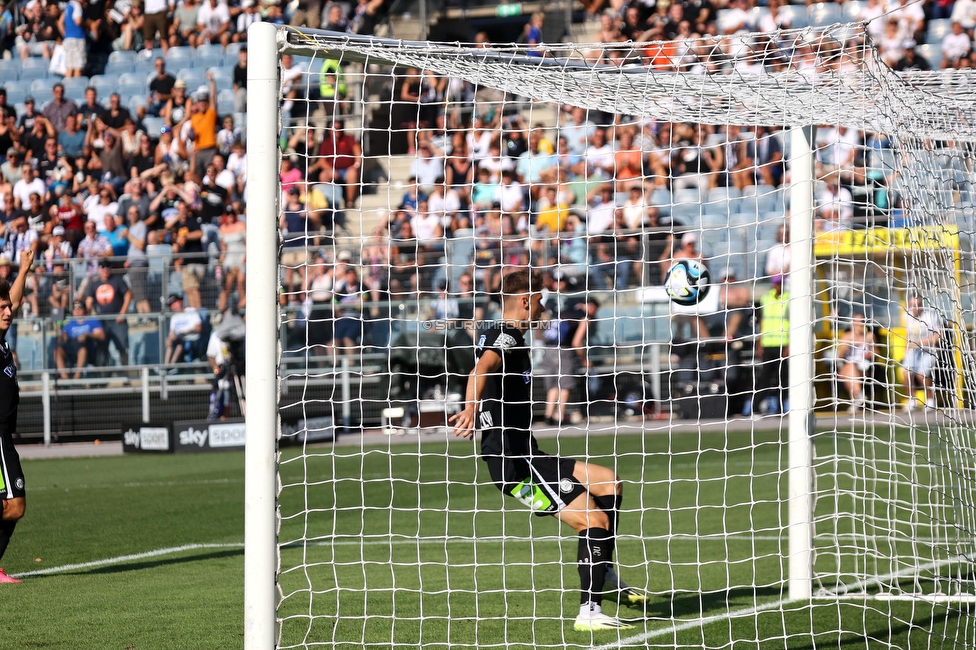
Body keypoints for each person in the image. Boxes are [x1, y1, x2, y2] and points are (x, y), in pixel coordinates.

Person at [450, 269, 644, 631]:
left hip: (528, 454)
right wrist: (471, 407)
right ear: (525, 301)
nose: (545, 309)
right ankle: (589, 613)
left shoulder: (505, 333)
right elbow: (480, 369)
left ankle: (603, 574)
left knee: (608, 483)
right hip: (514, 464)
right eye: (540, 301)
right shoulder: (506, 336)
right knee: (595, 521)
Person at [0, 249, 34, 583]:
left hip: (4, 436)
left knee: (13, 507)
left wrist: (23, 269)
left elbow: (14, 300)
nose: (8, 312)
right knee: (16, 505)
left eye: (7, 308)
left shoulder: (1, 340)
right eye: (1, 309)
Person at [753, 274, 789, 417]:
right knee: (764, 378)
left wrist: (790, 344)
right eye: (776, 283)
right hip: (768, 343)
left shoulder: (789, 298)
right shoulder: (765, 298)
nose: (778, 285)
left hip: (783, 343)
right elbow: (762, 321)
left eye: (780, 283)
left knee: (783, 378)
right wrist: (759, 342)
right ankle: (755, 408)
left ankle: (781, 409)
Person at [85, 260, 133, 367]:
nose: (105, 270)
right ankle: (103, 375)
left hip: (118, 321)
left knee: (122, 348)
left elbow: (129, 295)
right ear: (98, 269)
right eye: (103, 267)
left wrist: (122, 313)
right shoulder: (94, 283)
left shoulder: (118, 280)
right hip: (102, 322)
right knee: (102, 349)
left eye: (108, 267)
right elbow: (89, 301)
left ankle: (126, 375)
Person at [901, 295, 941, 411]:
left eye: (918, 305)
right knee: (906, 373)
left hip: (929, 350)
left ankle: (930, 401)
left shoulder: (930, 317)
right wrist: (906, 349)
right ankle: (911, 400)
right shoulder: (906, 316)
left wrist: (920, 343)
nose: (916, 308)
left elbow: (938, 337)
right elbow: (907, 336)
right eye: (913, 305)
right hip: (913, 351)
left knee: (921, 374)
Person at [54, 300, 106, 380]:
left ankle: (76, 378)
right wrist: (62, 337)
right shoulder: (69, 323)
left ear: (85, 309)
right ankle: (65, 378)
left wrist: (87, 335)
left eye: (80, 307)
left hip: (87, 348)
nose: (77, 310)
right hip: (71, 347)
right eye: (74, 308)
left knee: (82, 350)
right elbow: (62, 336)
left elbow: (101, 335)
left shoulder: (92, 321)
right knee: (57, 350)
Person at [837, 313, 875, 413]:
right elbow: (839, 356)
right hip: (848, 366)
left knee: (851, 368)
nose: (859, 325)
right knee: (851, 366)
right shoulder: (847, 336)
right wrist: (846, 346)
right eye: (857, 322)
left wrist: (870, 351)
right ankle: (858, 395)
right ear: (852, 323)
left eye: (862, 322)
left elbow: (877, 353)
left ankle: (857, 398)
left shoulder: (870, 336)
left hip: (864, 367)